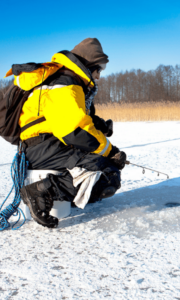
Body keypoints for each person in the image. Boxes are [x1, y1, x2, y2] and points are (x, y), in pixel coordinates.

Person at [19, 38, 127, 228]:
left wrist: (99, 125)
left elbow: (69, 117)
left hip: (45, 143)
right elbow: (74, 131)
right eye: (99, 69)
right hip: (45, 146)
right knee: (107, 172)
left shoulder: (63, 80)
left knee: (103, 166)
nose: (99, 75)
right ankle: (41, 192)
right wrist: (111, 152)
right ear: (87, 65)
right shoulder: (66, 84)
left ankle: (69, 195)